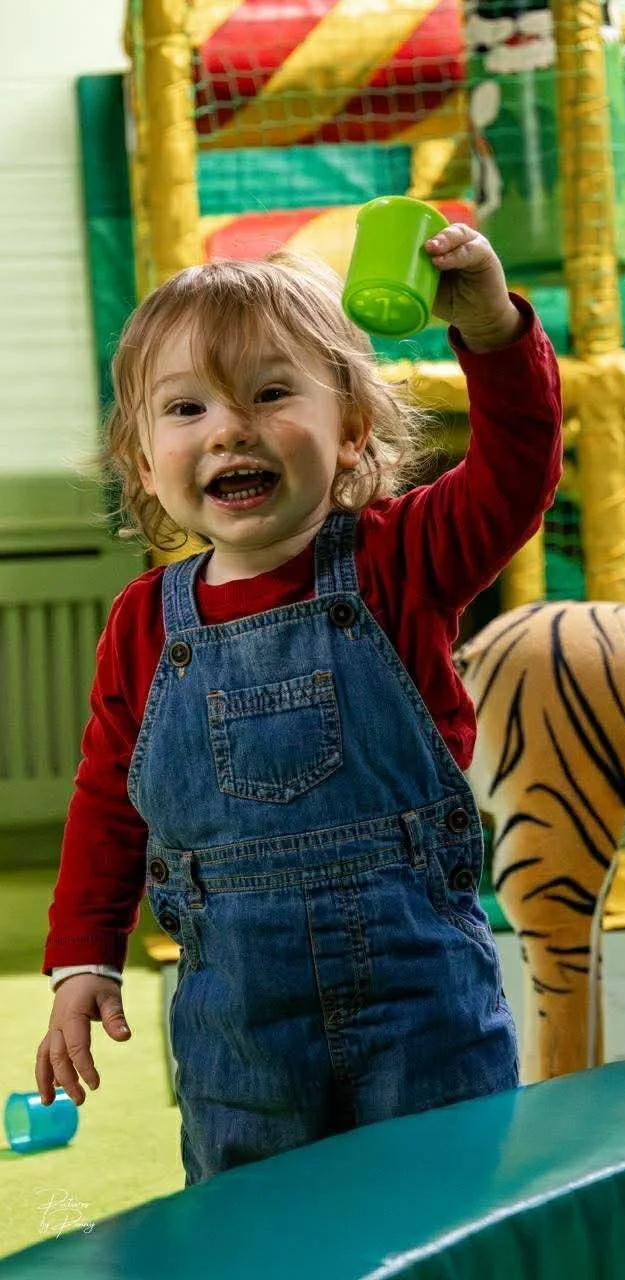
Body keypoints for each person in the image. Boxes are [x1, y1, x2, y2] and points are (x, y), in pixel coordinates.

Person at [35, 223, 563, 1185]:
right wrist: (83, 960)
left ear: (351, 430)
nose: (230, 429)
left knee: (443, 1208)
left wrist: (490, 329)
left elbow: (515, 474)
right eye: (187, 408)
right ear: (146, 464)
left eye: (271, 396)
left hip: (421, 1002)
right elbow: (111, 797)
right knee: (255, 1225)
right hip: (238, 1017)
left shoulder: (402, 560)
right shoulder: (146, 622)